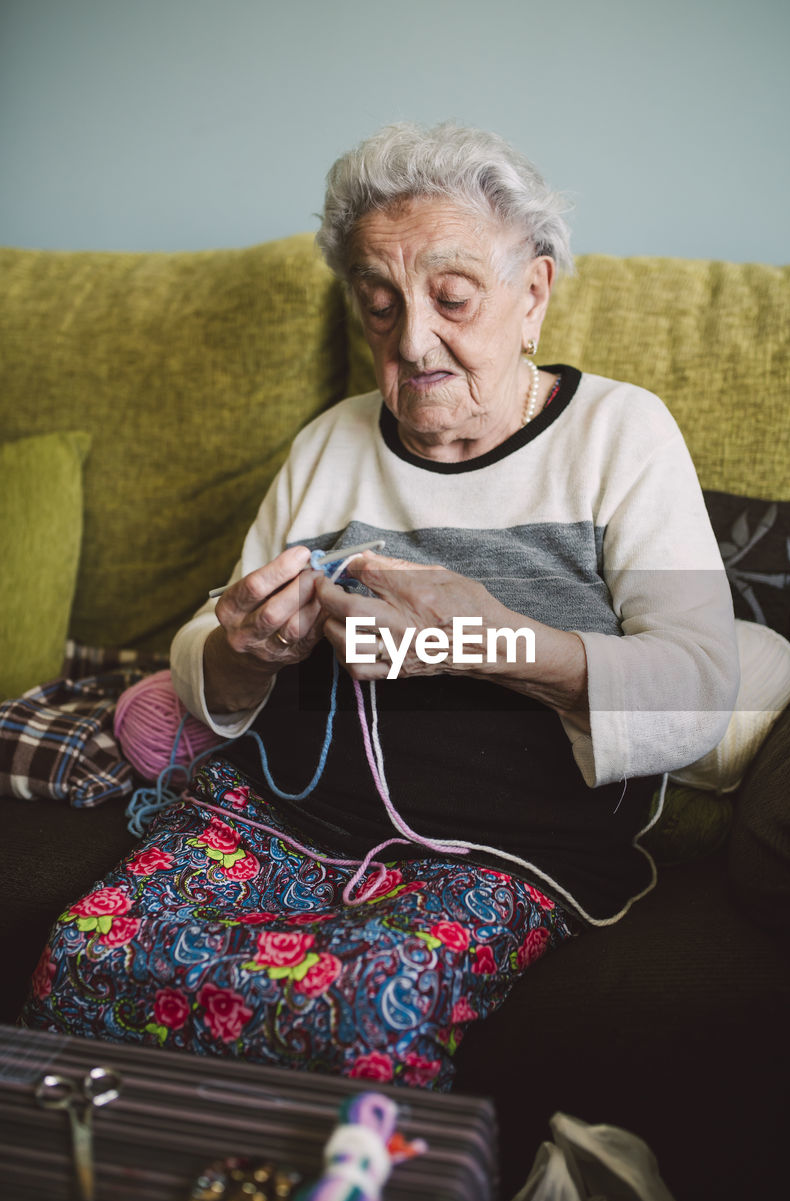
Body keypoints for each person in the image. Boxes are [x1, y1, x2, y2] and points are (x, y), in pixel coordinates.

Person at [21, 123, 738, 1090]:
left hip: (504, 848)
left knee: (366, 1011)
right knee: (89, 954)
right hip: (282, 820)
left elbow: (700, 688)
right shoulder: (331, 443)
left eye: (451, 298)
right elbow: (204, 655)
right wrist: (247, 648)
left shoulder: (622, 434)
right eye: (378, 305)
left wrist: (482, 640)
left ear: (533, 295)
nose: (412, 340)